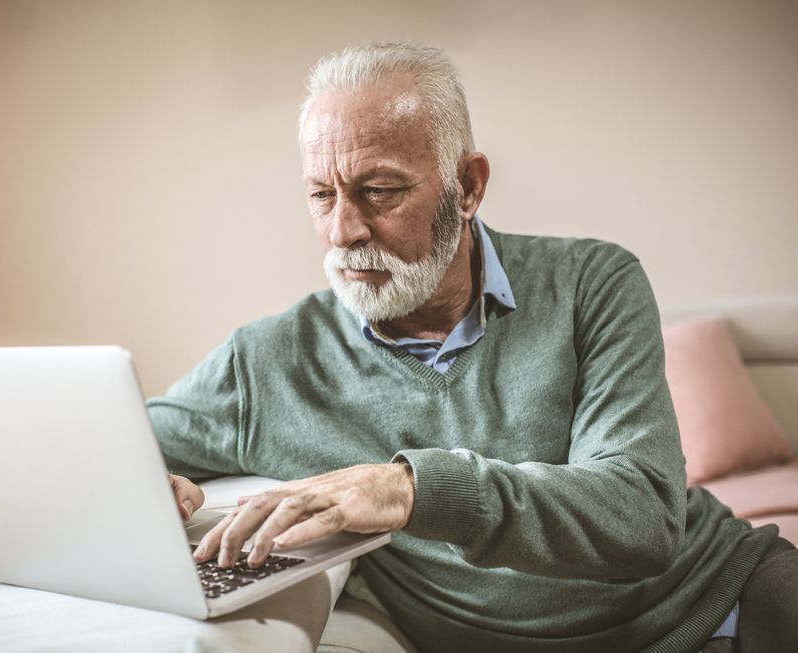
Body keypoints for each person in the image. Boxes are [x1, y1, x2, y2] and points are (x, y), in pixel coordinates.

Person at [148, 43, 796, 652]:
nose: (342, 230)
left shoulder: (592, 282)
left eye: (380, 189)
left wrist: (411, 488)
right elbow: (104, 448)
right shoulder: (265, 363)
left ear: (469, 186)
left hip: (717, 596)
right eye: (322, 194)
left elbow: (641, 516)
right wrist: (148, 484)